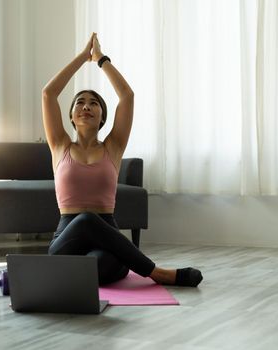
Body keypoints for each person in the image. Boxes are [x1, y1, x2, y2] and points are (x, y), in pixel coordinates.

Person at [42, 32, 202, 287]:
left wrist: (101, 60)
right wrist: (82, 57)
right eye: (79, 103)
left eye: (94, 104)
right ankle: (158, 273)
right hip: (67, 236)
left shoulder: (113, 147)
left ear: (102, 117)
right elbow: (49, 94)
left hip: (107, 235)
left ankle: (70, 275)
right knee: (85, 219)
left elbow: (127, 96)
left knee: (103, 264)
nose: (86, 107)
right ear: (71, 116)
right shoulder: (60, 146)